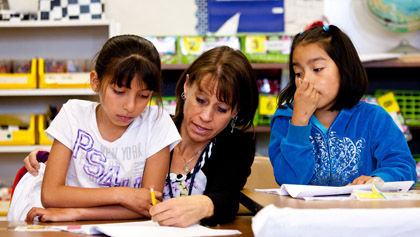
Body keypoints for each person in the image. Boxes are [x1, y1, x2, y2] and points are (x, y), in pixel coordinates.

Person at [20, 46, 259, 227]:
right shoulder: (150, 125)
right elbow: (101, 156)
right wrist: (52, 154)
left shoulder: (235, 146)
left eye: (222, 109)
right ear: (186, 87)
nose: (206, 116)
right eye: (201, 100)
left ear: (236, 110)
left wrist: (207, 205)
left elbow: (227, 199)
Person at [7, 35, 181, 221]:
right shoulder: (73, 114)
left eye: (144, 96)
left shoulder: (156, 121)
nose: (130, 106)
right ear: (95, 81)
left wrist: (77, 212)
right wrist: (122, 195)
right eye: (119, 92)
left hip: (112, 226)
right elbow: (50, 195)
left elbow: (149, 205)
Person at [268, 24, 417, 187]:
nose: (305, 80)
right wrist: (299, 122)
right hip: (305, 212)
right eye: (298, 73)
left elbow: (403, 168)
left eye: (317, 69)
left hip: (360, 211)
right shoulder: (285, 119)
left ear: (344, 69)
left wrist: (379, 180)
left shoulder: (374, 118)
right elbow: (289, 181)